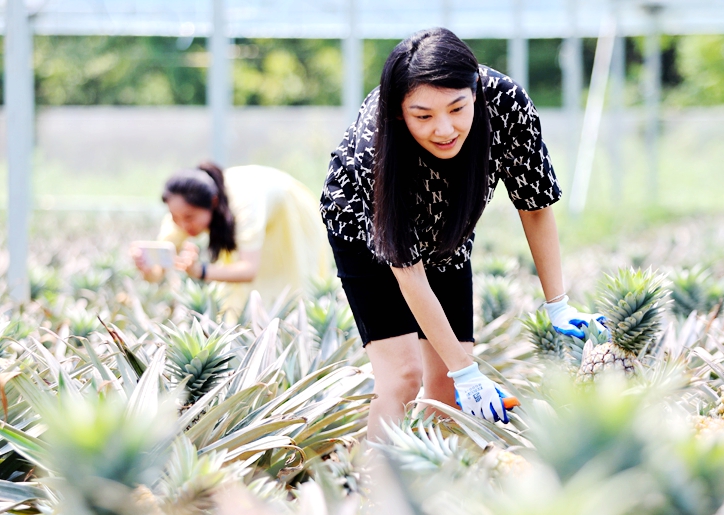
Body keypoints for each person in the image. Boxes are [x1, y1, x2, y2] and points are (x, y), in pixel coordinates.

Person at [320, 28, 604, 440]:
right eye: (424, 116)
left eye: (457, 108)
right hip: (363, 228)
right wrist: (469, 374)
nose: (445, 129)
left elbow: (535, 205)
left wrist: (557, 305)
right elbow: (409, 273)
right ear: (400, 112)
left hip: (448, 230)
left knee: (446, 389)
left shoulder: (507, 104)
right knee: (403, 376)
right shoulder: (374, 147)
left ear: (475, 92)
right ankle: (370, 486)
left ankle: (434, 482)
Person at [133, 162, 330, 312]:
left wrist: (200, 270)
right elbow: (156, 273)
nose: (183, 225)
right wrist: (146, 268)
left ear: (213, 202)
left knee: (290, 284)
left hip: (289, 216)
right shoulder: (182, 212)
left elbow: (248, 270)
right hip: (255, 214)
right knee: (239, 300)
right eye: (175, 217)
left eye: (189, 217)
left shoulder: (244, 203)